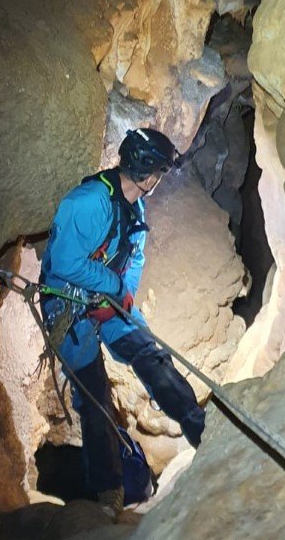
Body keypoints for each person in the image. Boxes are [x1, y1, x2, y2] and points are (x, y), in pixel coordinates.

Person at [40, 127, 205, 516]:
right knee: (95, 398)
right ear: (150, 176)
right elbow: (64, 263)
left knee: (149, 354)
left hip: (110, 302)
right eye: (161, 174)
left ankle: (199, 427)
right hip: (71, 308)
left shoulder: (134, 207)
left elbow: (135, 258)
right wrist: (112, 285)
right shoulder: (89, 202)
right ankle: (108, 494)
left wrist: (124, 294)